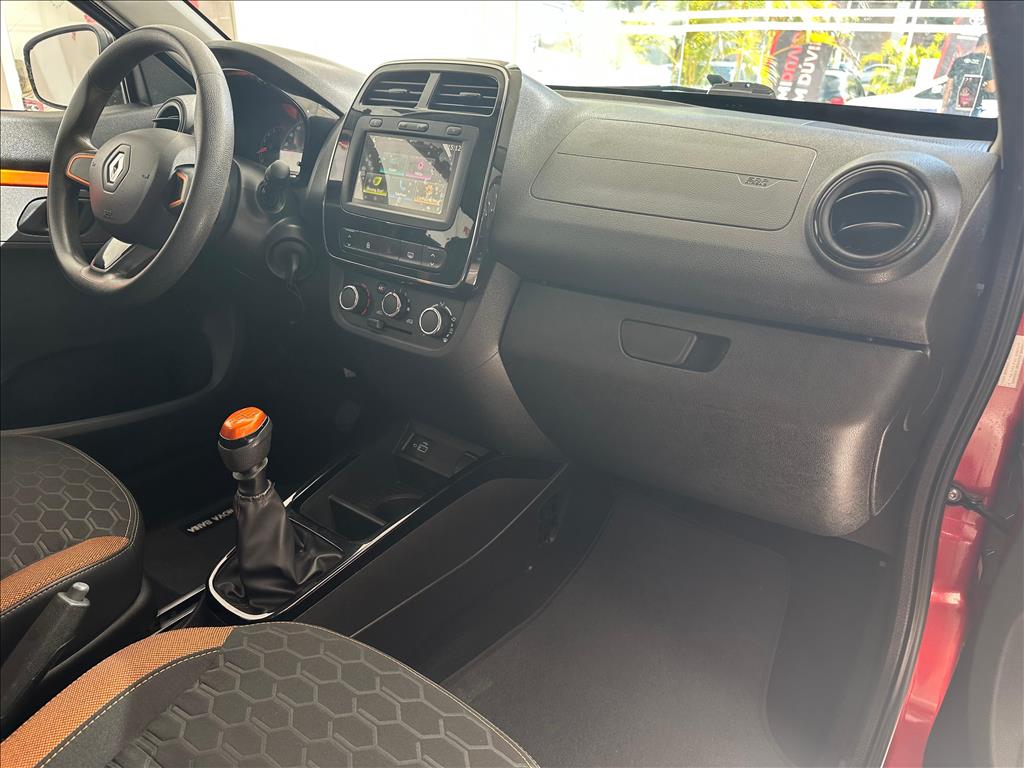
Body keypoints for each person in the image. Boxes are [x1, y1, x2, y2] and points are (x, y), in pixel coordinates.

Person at [942, 34, 996, 116]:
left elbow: (948, 87)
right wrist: (982, 86)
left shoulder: (959, 61)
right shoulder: (987, 63)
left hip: (953, 108)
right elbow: (992, 88)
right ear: (986, 46)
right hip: (971, 111)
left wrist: (944, 106)